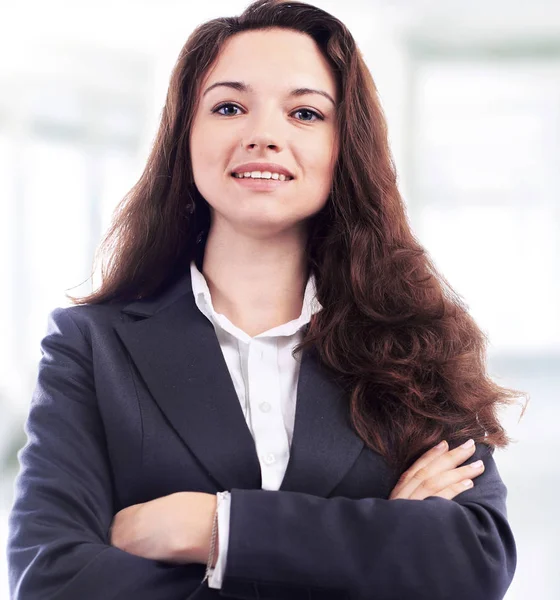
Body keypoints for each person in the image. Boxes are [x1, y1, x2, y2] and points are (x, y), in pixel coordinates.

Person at [7, 1, 527, 599]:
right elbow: (52, 582)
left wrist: (215, 528)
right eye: (229, 107)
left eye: (305, 112)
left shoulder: (418, 339)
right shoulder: (89, 347)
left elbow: (474, 561)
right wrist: (378, 549)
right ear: (186, 135)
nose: (264, 136)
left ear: (345, 146)